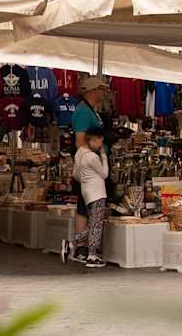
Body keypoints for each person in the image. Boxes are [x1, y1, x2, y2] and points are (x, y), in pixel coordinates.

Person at [68, 75, 110, 262]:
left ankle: (82, 246)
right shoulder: (84, 112)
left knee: (88, 209)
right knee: (85, 208)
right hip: (90, 171)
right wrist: (92, 161)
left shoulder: (92, 111)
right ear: (93, 90)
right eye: (102, 89)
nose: (105, 93)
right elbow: (80, 141)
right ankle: (81, 248)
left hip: (92, 168)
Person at [65, 125, 109, 269]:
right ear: (94, 139)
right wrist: (104, 156)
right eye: (100, 141)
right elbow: (104, 174)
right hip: (97, 192)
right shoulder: (92, 157)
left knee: (93, 224)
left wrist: (86, 180)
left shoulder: (79, 153)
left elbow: (76, 174)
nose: (101, 145)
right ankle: (92, 256)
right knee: (96, 224)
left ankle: (71, 243)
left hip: (86, 192)